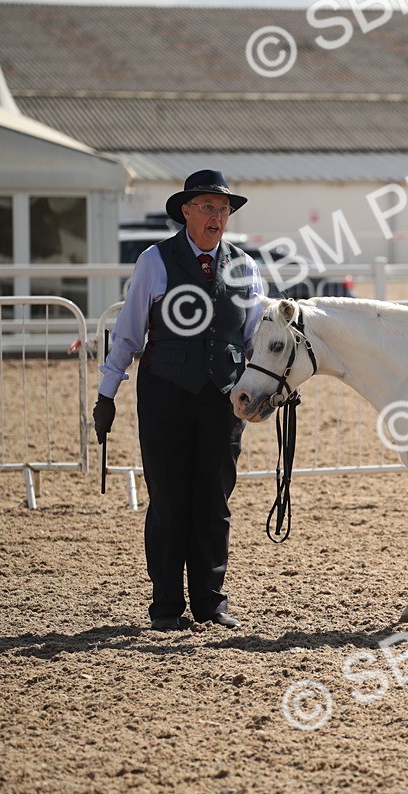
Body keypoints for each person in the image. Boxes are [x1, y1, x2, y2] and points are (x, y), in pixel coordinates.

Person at [92, 170, 265, 632]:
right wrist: (107, 393)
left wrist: (271, 389)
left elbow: (255, 339)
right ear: (186, 211)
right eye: (207, 207)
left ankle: (210, 603)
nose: (217, 216)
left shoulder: (245, 267)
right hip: (166, 394)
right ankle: (166, 606)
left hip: (222, 400)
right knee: (168, 502)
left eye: (223, 209)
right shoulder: (155, 260)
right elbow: (129, 333)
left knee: (214, 501)